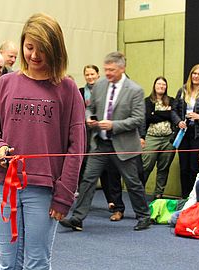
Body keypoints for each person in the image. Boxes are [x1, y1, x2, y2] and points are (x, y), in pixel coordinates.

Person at [0, 13, 85, 270]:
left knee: (38, 266)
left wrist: (64, 195)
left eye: (42, 48)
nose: (35, 55)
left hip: (44, 190)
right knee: (7, 268)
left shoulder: (67, 88)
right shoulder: (5, 84)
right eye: (29, 47)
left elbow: (77, 148)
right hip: (5, 186)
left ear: (55, 49)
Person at [60, 51, 151, 232]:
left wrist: (113, 125)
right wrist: (89, 118)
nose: (108, 73)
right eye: (106, 69)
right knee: (88, 180)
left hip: (124, 145)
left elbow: (138, 119)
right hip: (100, 144)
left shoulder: (135, 90)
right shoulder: (100, 86)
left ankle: (144, 216)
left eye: (112, 70)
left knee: (132, 182)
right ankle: (77, 218)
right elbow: (90, 108)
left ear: (122, 68)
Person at [78, 64, 121, 214]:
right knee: (86, 168)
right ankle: (81, 206)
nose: (90, 77)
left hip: (103, 134)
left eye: (92, 74)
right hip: (86, 133)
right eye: (87, 74)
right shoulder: (80, 92)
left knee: (107, 169)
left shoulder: (106, 90)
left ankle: (111, 200)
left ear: (98, 75)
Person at [171, 64, 199, 198]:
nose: (196, 76)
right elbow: (174, 110)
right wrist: (178, 122)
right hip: (183, 133)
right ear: (191, 75)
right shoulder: (183, 90)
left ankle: (194, 197)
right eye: (194, 73)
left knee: (194, 168)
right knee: (183, 168)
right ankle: (185, 197)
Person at [142, 76, 175, 198]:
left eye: (163, 84)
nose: (161, 86)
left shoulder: (172, 100)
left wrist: (156, 113)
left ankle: (158, 194)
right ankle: (139, 193)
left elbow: (173, 116)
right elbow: (148, 118)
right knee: (146, 166)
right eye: (158, 84)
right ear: (154, 86)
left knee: (163, 168)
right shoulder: (147, 101)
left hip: (168, 139)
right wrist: (167, 114)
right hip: (151, 138)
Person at [169, 148, 199, 225]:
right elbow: (193, 196)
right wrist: (185, 211)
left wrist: (194, 211)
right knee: (173, 217)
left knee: (174, 219)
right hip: (194, 206)